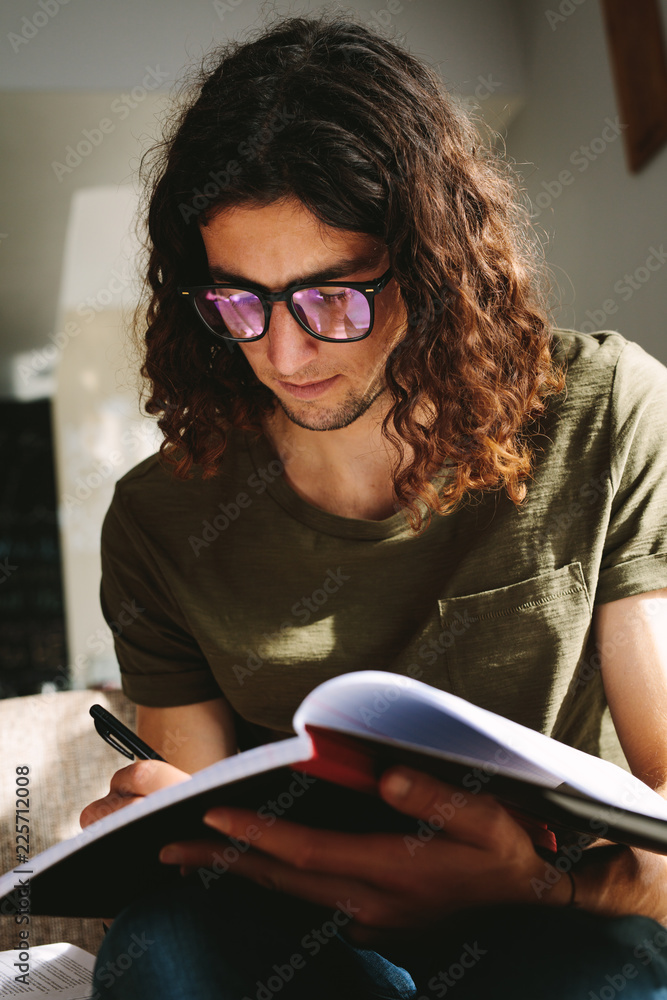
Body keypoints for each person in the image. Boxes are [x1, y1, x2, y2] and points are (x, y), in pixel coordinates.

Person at [80, 14, 667, 999]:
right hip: (309, 929)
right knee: (161, 949)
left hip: (548, 916)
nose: (284, 355)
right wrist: (162, 826)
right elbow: (195, 825)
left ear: (434, 269)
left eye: (333, 298)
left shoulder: (606, 412)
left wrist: (547, 883)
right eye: (238, 303)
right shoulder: (159, 520)